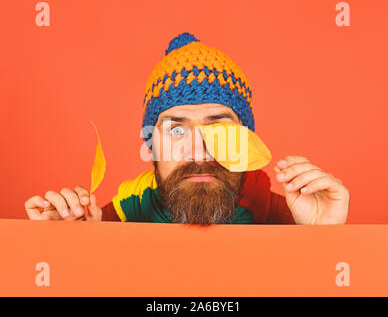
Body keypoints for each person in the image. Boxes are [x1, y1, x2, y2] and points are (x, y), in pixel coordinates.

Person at [25, 33, 349, 225]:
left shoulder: (284, 215)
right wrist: (70, 242)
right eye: (177, 130)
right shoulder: (124, 212)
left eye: (219, 128)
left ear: (246, 141)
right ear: (149, 145)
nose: (199, 152)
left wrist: (325, 237)